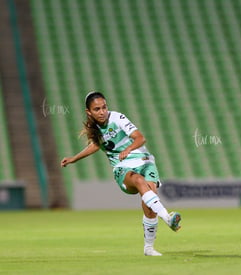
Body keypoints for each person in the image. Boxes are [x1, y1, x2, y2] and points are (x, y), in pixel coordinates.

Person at [61, 91, 181, 256]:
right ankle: (168, 217)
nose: (102, 112)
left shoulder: (117, 118)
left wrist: (128, 148)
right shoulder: (95, 129)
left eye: (104, 107)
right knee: (139, 181)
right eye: (97, 109)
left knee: (150, 206)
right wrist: (74, 158)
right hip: (122, 167)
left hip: (145, 161)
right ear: (89, 112)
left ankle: (149, 248)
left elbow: (140, 138)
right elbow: (95, 145)